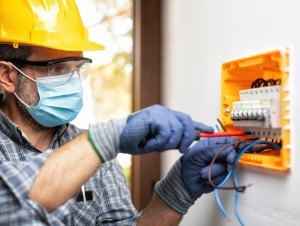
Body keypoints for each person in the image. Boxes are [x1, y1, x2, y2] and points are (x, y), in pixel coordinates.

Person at [0, 0, 238, 225]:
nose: (73, 82)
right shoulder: (95, 148)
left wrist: (176, 193)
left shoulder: (95, 156)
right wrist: (105, 140)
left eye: (77, 68)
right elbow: (13, 202)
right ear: (7, 76)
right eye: (58, 69)